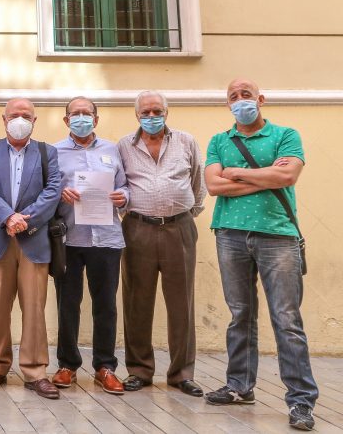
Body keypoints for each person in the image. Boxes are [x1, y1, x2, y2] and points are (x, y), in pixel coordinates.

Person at [203, 79, 317, 431]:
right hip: (230, 234)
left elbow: (288, 175)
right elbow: (212, 185)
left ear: (260, 99)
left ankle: (301, 400)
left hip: (277, 236)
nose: (240, 101)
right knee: (240, 314)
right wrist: (264, 176)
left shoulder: (285, 135)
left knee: (286, 319)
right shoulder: (220, 140)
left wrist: (235, 172)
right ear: (228, 105)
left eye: (246, 95)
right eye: (233, 97)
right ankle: (240, 386)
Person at [117, 91, 206, 397]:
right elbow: (120, 186)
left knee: (182, 303)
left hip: (179, 228)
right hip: (137, 228)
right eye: (146, 112)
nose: (152, 116)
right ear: (137, 115)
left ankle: (181, 373)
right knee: (136, 301)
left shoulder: (186, 141)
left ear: (167, 112)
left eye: (157, 111)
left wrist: (184, 214)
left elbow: (198, 182)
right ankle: (139, 370)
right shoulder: (124, 146)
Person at [0, 98, 62, 399]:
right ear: (3, 119)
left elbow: (53, 191)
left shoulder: (47, 152)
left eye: (26, 115)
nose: (19, 119)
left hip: (33, 239)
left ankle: (35, 370)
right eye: (14, 115)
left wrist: (26, 220)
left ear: (34, 121)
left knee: (34, 307)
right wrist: (8, 217)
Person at [52, 96, 129, 395]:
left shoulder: (113, 150)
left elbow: (124, 184)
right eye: (75, 113)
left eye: (87, 114)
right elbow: (47, 189)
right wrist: (61, 192)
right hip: (70, 239)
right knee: (67, 304)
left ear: (96, 119)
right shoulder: (54, 152)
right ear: (66, 119)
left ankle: (105, 367)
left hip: (107, 238)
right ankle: (67, 365)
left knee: (106, 306)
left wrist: (124, 196)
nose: (81, 118)